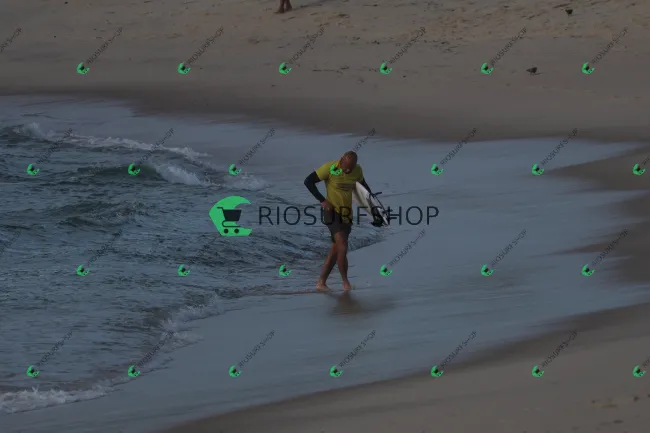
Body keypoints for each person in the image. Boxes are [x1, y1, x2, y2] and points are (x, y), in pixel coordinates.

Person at [304, 151, 375, 291]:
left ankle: (321, 282)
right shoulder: (329, 168)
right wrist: (323, 201)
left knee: (336, 250)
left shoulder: (357, 170)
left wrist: (373, 204)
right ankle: (346, 283)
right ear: (341, 160)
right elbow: (308, 181)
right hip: (331, 212)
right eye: (345, 168)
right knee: (342, 245)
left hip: (347, 214)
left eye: (350, 169)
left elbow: (363, 187)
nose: (347, 171)